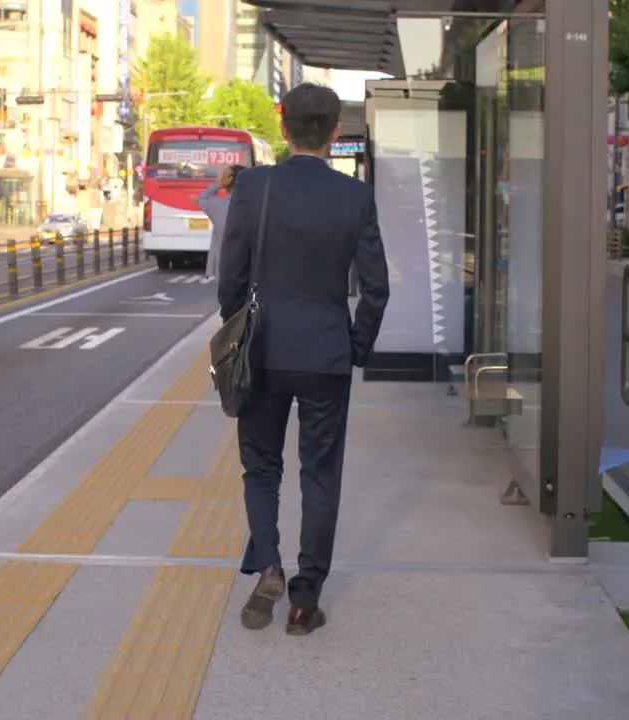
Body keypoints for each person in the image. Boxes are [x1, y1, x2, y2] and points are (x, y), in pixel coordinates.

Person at [218, 83, 389, 636]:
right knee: (320, 474)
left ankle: (268, 562)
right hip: (326, 352)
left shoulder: (255, 187)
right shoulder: (354, 197)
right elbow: (376, 289)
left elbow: (232, 279)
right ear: (335, 133)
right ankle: (303, 602)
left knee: (261, 465)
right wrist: (354, 347)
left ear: (283, 127)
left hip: (263, 348)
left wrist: (238, 330)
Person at [198, 164, 243, 279]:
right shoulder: (257, 206)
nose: (219, 177)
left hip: (225, 271)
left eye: (222, 175)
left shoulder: (218, 206)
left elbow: (203, 197)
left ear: (229, 180)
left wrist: (220, 184)